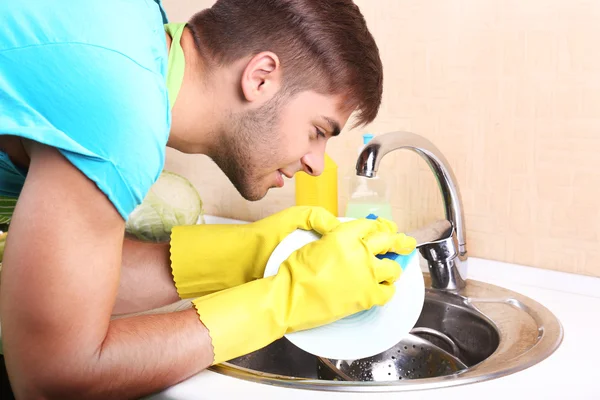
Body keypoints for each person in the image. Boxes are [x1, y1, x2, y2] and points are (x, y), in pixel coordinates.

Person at [0, 0, 416, 399]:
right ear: (260, 77)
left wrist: (245, 255)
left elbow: (54, 284)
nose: (317, 164)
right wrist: (282, 302)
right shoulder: (121, 107)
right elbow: (52, 378)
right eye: (318, 131)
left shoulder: (133, 38)